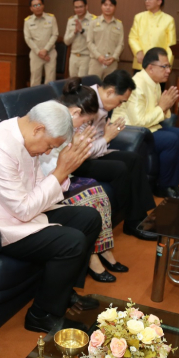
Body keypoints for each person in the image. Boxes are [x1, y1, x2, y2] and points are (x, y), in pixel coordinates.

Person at [0, 101, 102, 333]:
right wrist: (59, 171)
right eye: (49, 146)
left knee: (89, 218)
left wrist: (62, 172)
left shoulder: (27, 137)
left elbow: (38, 188)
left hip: (24, 214)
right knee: (72, 242)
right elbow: (24, 209)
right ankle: (41, 315)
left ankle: (64, 293)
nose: (48, 152)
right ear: (38, 129)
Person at [42, 79, 124, 283]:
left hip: (64, 174)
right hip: (48, 177)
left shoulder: (69, 121)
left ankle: (104, 250)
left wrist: (79, 145)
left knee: (99, 194)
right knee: (88, 203)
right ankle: (92, 259)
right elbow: (49, 159)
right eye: (86, 121)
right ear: (76, 112)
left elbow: (78, 155)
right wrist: (76, 146)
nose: (86, 126)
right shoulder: (52, 121)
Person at [72, 69, 157, 240]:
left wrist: (107, 137)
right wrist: (106, 137)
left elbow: (97, 143)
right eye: (120, 101)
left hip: (95, 151)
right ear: (110, 91)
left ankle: (139, 217)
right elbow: (82, 149)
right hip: (77, 159)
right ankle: (132, 221)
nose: (119, 106)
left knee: (134, 158)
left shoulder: (101, 101)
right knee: (119, 168)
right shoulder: (87, 102)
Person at [112, 47, 179, 200]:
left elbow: (157, 113)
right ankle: (163, 187)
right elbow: (138, 121)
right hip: (130, 131)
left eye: (169, 66)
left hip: (147, 128)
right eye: (164, 67)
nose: (168, 70)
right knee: (171, 140)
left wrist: (166, 105)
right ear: (150, 68)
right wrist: (162, 106)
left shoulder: (154, 82)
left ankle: (173, 184)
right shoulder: (137, 85)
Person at [128, 0, 175, 72]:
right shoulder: (139, 17)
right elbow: (132, 37)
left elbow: (171, 45)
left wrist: (166, 65)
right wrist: (138, 51)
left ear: (159, 2)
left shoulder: (168, 20)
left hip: (159, 65)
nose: (147, 1)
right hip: (140, 62)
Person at [24, 0, 58, 87]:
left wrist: (45, 50)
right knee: (35, 80)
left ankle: (49, 99)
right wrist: (39, 52)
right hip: (36, 54)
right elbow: (28, 38)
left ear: (43, 6)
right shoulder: (27, 21)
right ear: (31, 8)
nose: (37, 7)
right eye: (34, 5)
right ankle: (35, 100)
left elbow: (55, 35)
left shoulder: (51, 18)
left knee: (50, 81)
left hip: (50, 53)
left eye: (39, 4)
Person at [88, 0, 125, 79]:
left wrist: (114, 57)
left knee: (109, 88)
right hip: (96, 62)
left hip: (111, 63)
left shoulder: (119, 24)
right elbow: (89, 42)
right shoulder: (93, 22)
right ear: (101, 6)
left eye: (111, 5)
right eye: (105, 5)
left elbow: (121, 44)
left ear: (115, 7)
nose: (108, 7)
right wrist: (98, 56)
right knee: (93, 88)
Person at [64, 0, 95, 78]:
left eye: (81, 7)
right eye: (76, 7)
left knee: (83, 83)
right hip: (73, 56)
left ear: (86, 6)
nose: (78, 9)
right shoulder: (71, 20)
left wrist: (82, 31)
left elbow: (94, 40)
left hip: (86, 57)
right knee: (72, 83)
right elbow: (66, 41)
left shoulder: (94, 20)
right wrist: (74, 32)